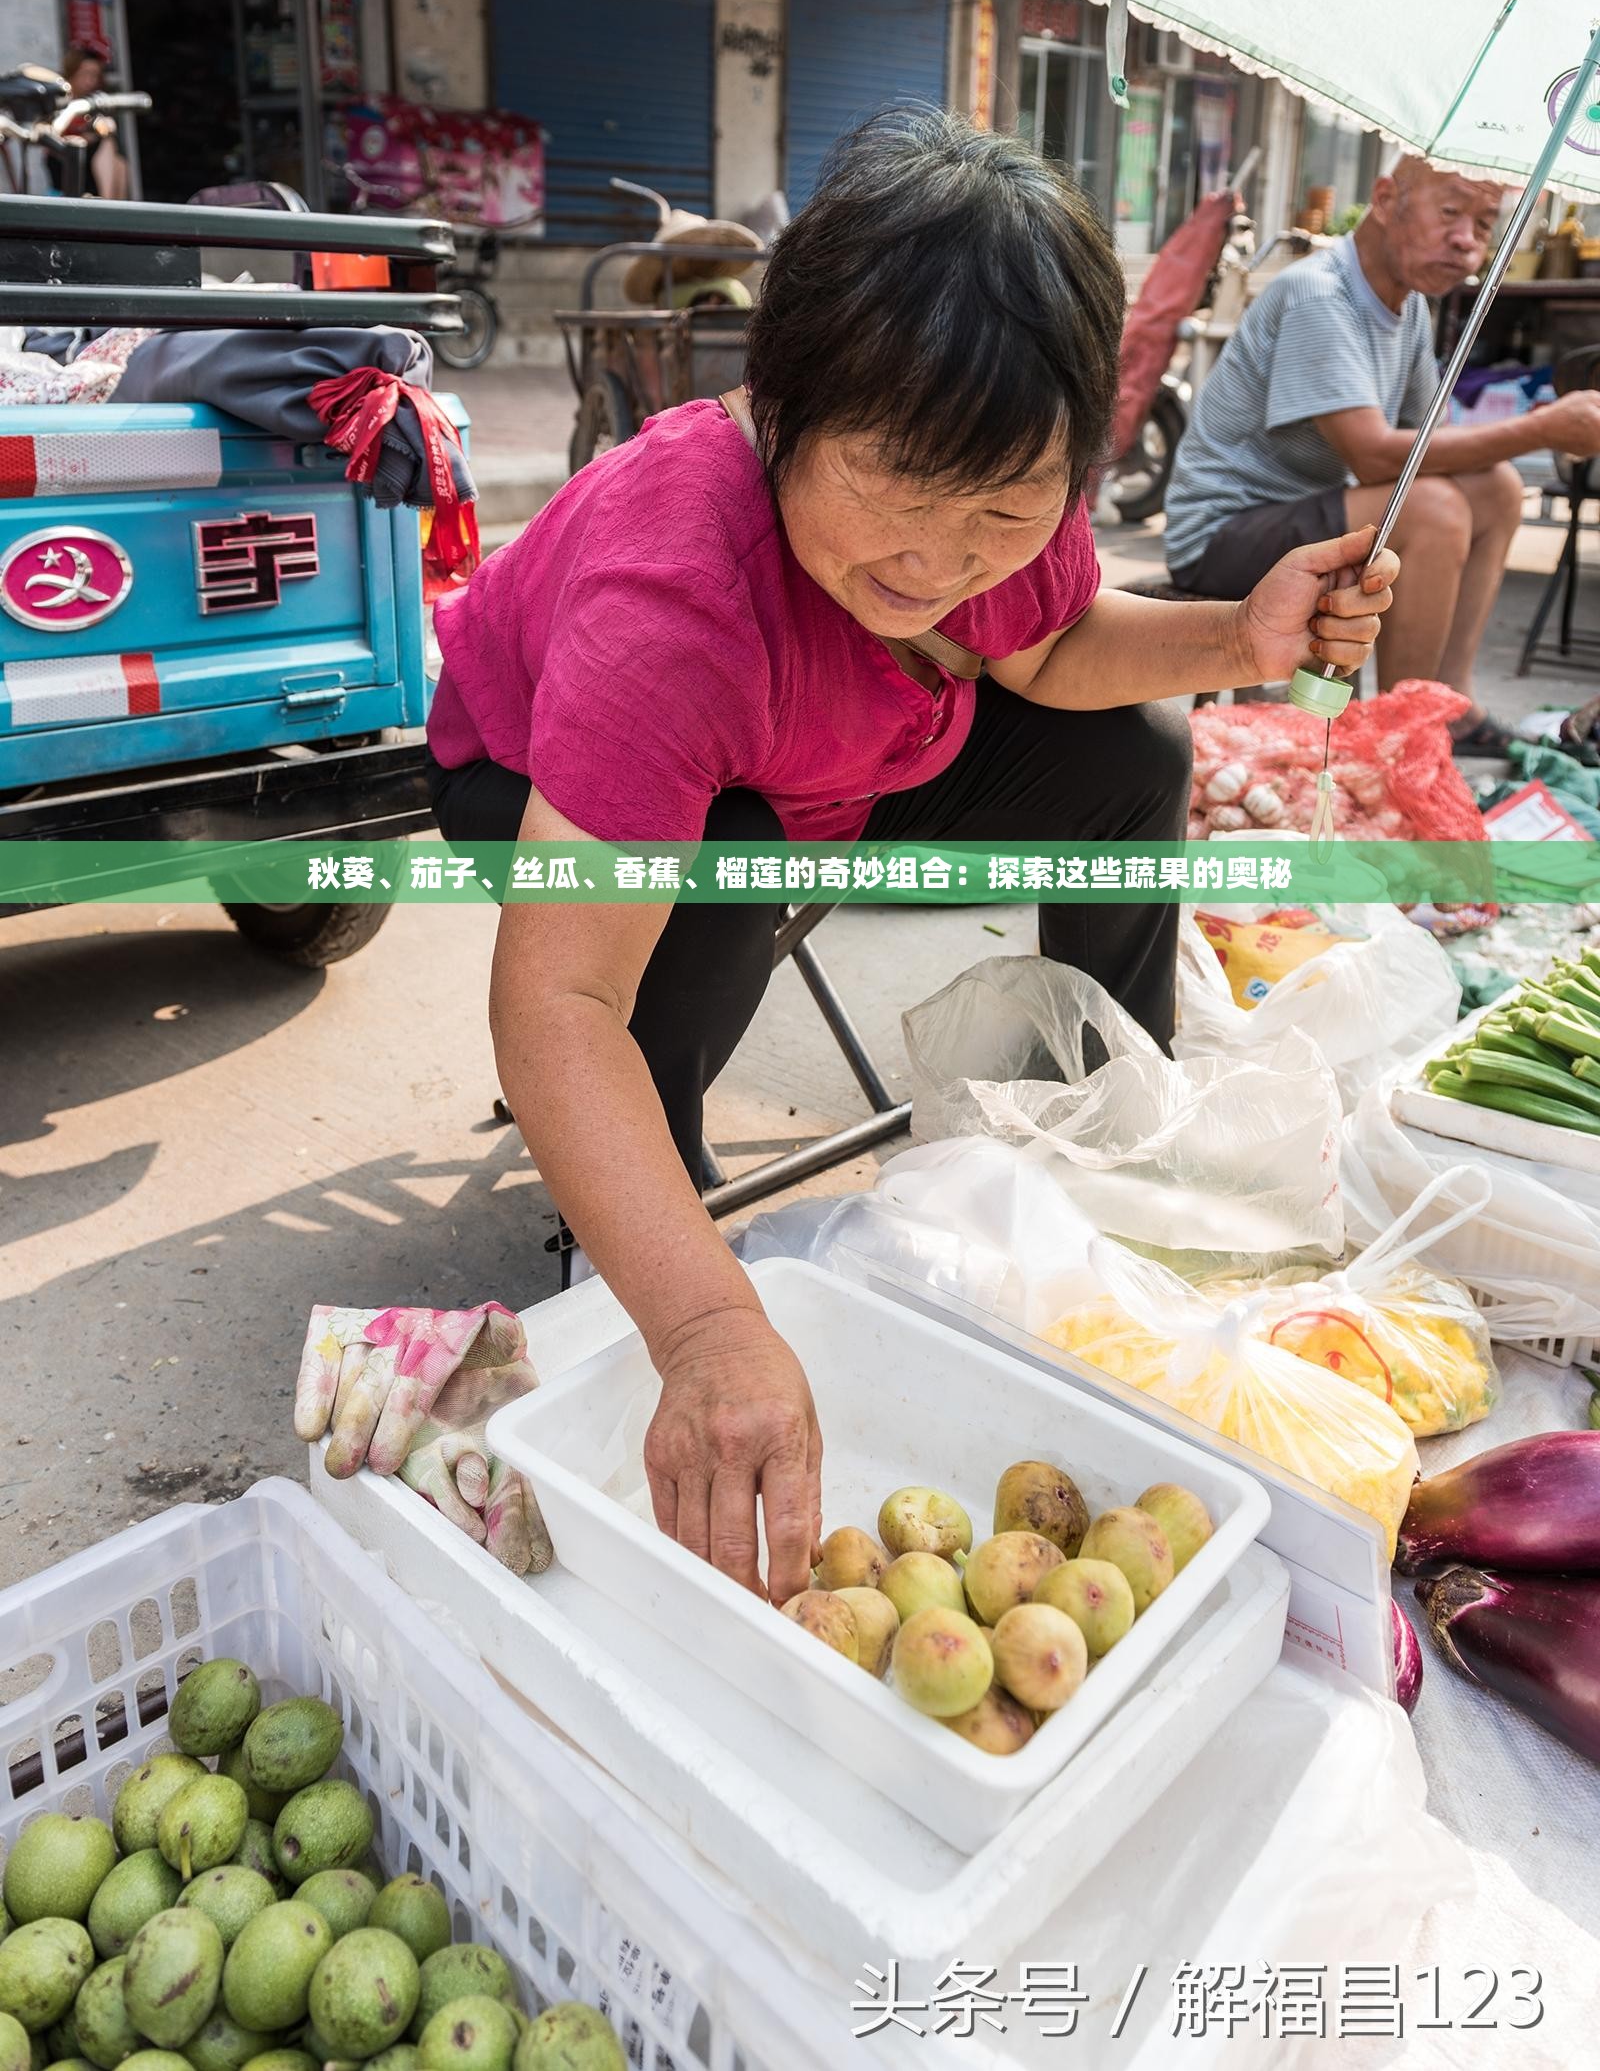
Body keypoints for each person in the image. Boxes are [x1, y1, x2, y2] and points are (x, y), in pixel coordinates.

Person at [425, 112, 1397, 1606]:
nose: (940, 564)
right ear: (780, 401)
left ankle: (1103, 1122)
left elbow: (1055, 642)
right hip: (541, 774)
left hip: (849, 750)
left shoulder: (1009, 516)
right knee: (722, 862)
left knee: (1132, 749)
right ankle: (638, 1228)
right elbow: (556, 1006)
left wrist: (1239, 637)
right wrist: (706, 1330)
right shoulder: (675, 601)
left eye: (1004, 511)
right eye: (891, 488)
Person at [1162, 157, 1600, 751]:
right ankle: (1401, 734)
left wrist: (1535, 432)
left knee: (1493, 488)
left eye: (1484, 223)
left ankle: (1450, 702)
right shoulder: (1319, 294)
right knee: (1434, 507)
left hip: (1311, 518)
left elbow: (1433, 439)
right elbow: (1374, 457)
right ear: (1387, 196)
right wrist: (1541, 428)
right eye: (1450, 212)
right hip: (1223, 535)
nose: (1467, 241)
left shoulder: (1409, 305)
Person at [50, 45, 129, 200]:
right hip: (63, 166)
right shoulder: (58, 101)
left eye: (95, 75)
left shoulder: (93, 104)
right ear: (72, 73)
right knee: (106, 146)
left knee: (120, 163)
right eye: (86, 74)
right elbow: (51, 137)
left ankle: (114, 211)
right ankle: (107, 206)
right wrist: (87, 136)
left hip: (89, 171)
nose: (90, 81)